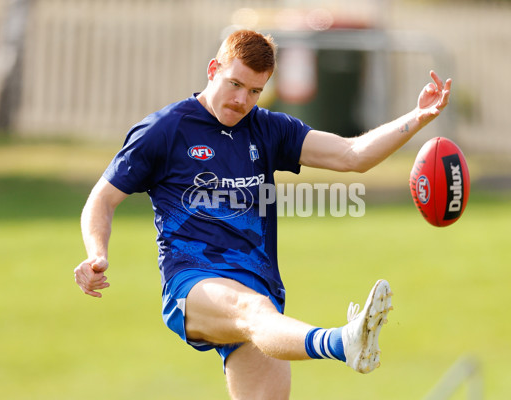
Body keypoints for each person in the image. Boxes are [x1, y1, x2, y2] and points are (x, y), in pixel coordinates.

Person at [74, 29, 451, 400]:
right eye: (234, 84)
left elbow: (351, 155)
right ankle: (342, 341)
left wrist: (418, 117)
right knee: (249, 309)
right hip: (193, 282)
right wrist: (97, 253)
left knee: (258, 317)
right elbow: (101, 200)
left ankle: (331, 338)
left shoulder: (268, 129)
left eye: (254, 91)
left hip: (261, 290)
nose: (241, 100)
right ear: (212, 69)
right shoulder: (165, 130)